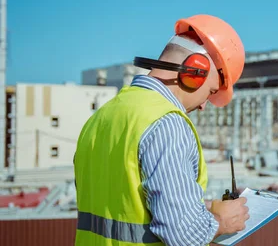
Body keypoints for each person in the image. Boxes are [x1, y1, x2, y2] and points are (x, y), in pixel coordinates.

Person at [73, 14, 249, 246]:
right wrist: (221, 222)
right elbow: (183, 235)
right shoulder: (167, 123)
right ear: (196, 71)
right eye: (210, 92)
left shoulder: (102, 117)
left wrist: (196, 207)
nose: (204, 105)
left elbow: (123, 204)